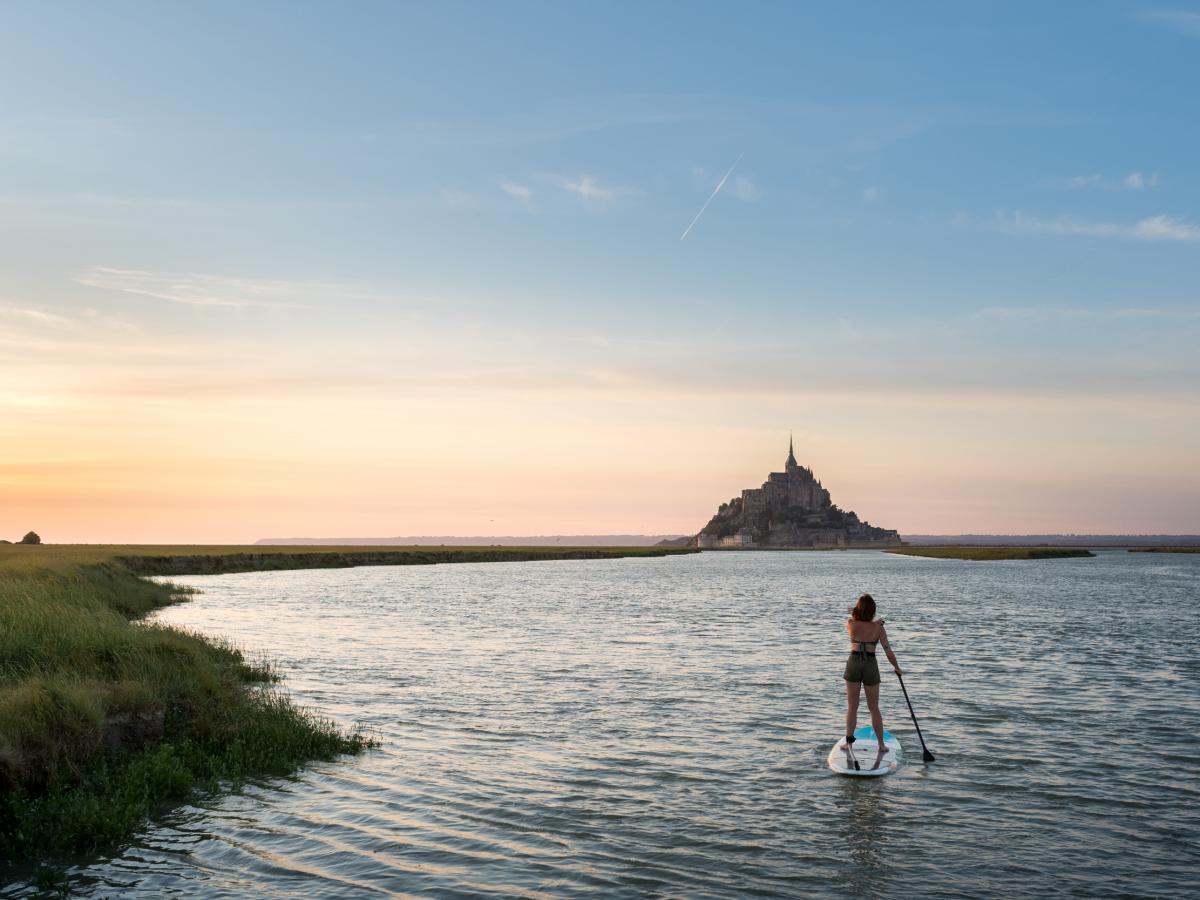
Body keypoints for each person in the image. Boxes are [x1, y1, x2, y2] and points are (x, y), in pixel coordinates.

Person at [844, 593, 902, 754]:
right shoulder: (879, 627)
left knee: (852, 707)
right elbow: (888, 651)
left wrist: (868, 617)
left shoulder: (850, 624)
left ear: (857, 609)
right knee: (874, 708)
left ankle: (848, 741)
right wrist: (897, 667)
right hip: (870, 664)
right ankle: (881, 745)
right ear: (873, 610)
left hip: (854, 663)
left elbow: (852, 614)